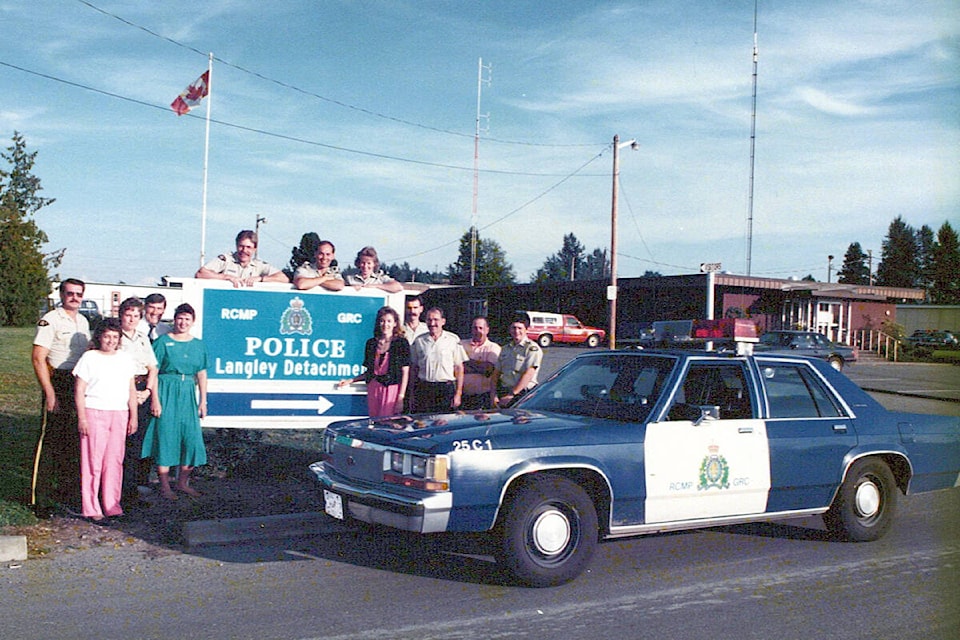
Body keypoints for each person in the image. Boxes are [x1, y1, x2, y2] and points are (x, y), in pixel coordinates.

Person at [31, 278, 91, 514]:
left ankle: (66, 494)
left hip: (77, 382)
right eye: (70, 293)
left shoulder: (83, 321)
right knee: (50, 442)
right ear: (61, 294)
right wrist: (50, 393)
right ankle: (40, 500)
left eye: (78, 294)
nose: (74, 298)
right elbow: (38, 358)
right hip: (57, 380)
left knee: (72, 441)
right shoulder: (51, 320)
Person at [73, 318, 138, 523]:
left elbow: (131, 390)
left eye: (115, 337)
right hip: (94, 412)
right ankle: (91, 507)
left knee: (114, 461)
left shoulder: (125, 359)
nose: (111, 340)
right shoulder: (89, 358)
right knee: (93, 462)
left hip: (119, 413)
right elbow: (79, 389)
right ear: (99, 336)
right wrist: (82, 417)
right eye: (107, 336)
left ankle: (112, 505)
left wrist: (133, 415)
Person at [141, 303, 208, 500]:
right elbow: (153, 371)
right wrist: (154, 399)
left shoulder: (198, 345)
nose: (183, 322)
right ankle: (164, 486)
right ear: (174, 319)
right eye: (180, 318)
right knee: (166, 437)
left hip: (187, 392)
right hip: (166, 391)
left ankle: (182, 482)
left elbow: (202, 374)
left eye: (187, 319)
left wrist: (203, 400)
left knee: (191, 438)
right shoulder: (162, 342)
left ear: (193, 322)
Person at [117, 297, 158, 500]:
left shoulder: (142, 337)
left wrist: (148, 391)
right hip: (123, 391)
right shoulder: (115, 337)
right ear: (121, 315)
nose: (132, 319)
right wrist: (133, 393)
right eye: (128, 314)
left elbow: (153, 367)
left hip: (143, 392)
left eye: (136, 315)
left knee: (137, 444)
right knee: (123, 443)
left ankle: (131, 491)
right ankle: (118, 491)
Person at [338, 306, 410, 416]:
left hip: (391, 389)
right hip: (374, 388)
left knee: (388, 422)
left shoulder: (401, 343)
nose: (385, 324)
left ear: (395, 323)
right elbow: (370, 371)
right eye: (382, 321)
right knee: (374, 421)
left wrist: (401, 397)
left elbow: (405, 372)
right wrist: (351, 380)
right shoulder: (371, 343)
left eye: (389, 321)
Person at [410, 308, 467, 413]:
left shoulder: (453, 339)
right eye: (429, 320)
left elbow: (459, 368)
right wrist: (412, 393)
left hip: (445, 389)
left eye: (436, 320)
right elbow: (414, 368)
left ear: (443, 321)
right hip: (424, 388)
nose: (432, 323)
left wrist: (458, 394)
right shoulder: (419, 341)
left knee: (445, 424)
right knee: (424, 423)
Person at [195, 229, 289, 286]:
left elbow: (284, 278)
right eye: (241, 246)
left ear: (254, 249)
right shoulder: (226, 260)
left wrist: (261, 279)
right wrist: (226, 277)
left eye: (248, 247)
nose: (244, 250)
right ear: (236, 245)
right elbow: (201, 274)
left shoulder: (259, 265)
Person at [493, 315, 543, 409]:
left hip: (522, 394)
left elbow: (529, 374)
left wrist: (512, 395)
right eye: (513, 328)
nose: (516, 331)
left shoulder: (531, 349)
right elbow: (496, 373)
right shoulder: (505, 349)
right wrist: (493, 395)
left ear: (526, 329)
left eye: (520, 328)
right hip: (504, 392)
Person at [460, 316, 501, 410]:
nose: (477, 331)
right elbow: (455, 368)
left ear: (487, 330)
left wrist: (467, 362)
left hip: (483, 396)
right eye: (475, 328)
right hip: (463, 396)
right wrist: (478, 365)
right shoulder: (461, 344)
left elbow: (488, 370)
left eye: (480, 328)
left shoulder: (493, 348)